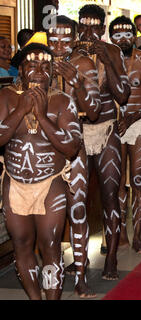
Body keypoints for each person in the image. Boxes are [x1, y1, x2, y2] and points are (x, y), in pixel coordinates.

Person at [0, 33, 81, 299]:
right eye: (32, 65)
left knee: (50, 245)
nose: (39, 72)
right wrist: (20, 110)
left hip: (51, 184)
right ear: (20, 69)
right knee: (22, 244)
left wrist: (43, 115)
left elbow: (71, 148)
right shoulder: (6, 97)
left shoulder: (62, 101)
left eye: (46, 67)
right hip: (15, 184)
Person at [46, 14, 100, 298]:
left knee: (77, 210)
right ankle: (51, 275)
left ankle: (80, 275)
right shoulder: (37, 63)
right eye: (52, 38)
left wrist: (76, 82)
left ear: (75, 38)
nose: (58, 44)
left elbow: (92, 112)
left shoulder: (84, 64)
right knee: (49, 218)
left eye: (65, 38)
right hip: (44, 150)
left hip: (74, 148)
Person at [76, 4, 130, 280]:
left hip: (107, 129)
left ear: (102, 28)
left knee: (110, 196)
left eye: (95, 27)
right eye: (84, 26)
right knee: (78, 199)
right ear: (77, 26)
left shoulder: (113, 52)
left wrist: (107, 61)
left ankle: (110, 258)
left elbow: (122, 95)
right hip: (77, 133)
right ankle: (80, 257)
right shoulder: (69, 53)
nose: (89, 32)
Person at [109, 15, 141, 253]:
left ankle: (137, 235)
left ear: (135, 36)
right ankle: (120, 235)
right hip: (112, 127)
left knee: (138, 181)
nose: (123, 39)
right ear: (110, 38)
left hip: (137, 126)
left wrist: (132, 117)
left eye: (128, 34)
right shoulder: (104, 62)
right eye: (117, 35)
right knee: (117, 185)